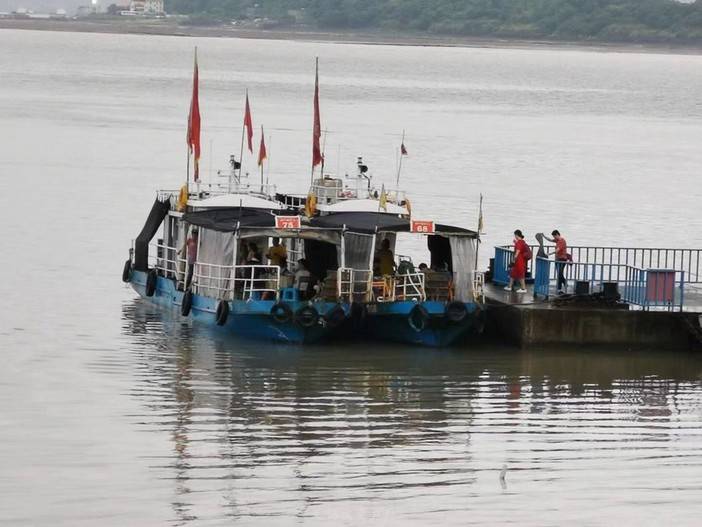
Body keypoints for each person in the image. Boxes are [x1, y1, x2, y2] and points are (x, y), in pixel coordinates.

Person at [545, 229, 569, 294]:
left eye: (554, 236)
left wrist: (549, 254)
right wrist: (544, 236)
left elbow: (557, 250)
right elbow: (550, 240)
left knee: (559, 273)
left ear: (557, 234)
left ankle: (561, 286)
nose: (554, 238)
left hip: (562, 259)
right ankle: (562, 286)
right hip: (558, 259)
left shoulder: (562, 241)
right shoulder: (557, 240)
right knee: (559, 273)